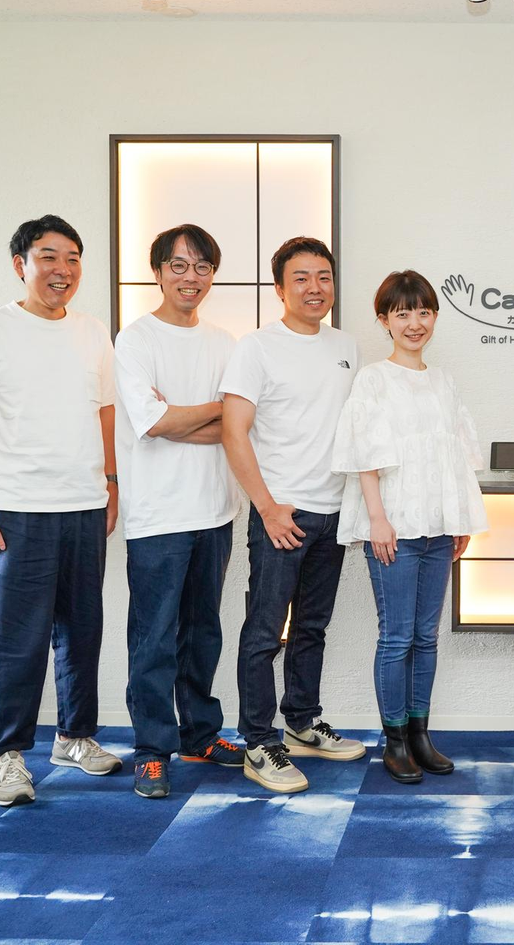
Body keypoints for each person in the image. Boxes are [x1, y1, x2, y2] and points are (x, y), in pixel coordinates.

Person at [0, 215, 122, 807]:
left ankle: (74, 737)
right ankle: (7, 754)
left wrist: (111, 483)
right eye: (48, 257)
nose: (62, 270)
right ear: (21, 265)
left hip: (85, 505)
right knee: (16, 641)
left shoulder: (92, 331)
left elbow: (105, 413)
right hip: (18, 509)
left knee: (82, 631)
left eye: (72, 258)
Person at [221, 237, 364, 794]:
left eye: (324, 277)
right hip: (282, 512)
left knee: (312, 628)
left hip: (334, 512)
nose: (314, 287)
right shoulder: (257, 347)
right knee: (264, 632)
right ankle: (259, 741)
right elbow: (234, 432)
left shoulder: (346, 346)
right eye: (301, 278)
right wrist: (267, 507)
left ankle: (302, 722)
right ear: (280, 288)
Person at [331, 270, 487, 784]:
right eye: (403, 314)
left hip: (438, 529)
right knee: (396, 637)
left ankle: (420, 734)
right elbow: (365, 457)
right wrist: (377, 520)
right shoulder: (373, 379)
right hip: (393, 529)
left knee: (426, 637)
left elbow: (454, 455)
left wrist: (459, 517)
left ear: (435, 317)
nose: (415, 323)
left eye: (424, 312)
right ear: (385, 321)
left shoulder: (443, 381)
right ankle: (395, 740)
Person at [115, 224, 244, 799]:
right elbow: (152, 421)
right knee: (153, 640)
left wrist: (182, 418)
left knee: (203, 633)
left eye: (202, 267)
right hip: (158, 516)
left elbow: (240, 426)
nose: (191, 277)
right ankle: (151, 751)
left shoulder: (225, 343)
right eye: (179, 265)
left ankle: (200, 735)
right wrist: (213, 412)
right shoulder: (136, 340)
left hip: (215, 510)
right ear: (158, 271)